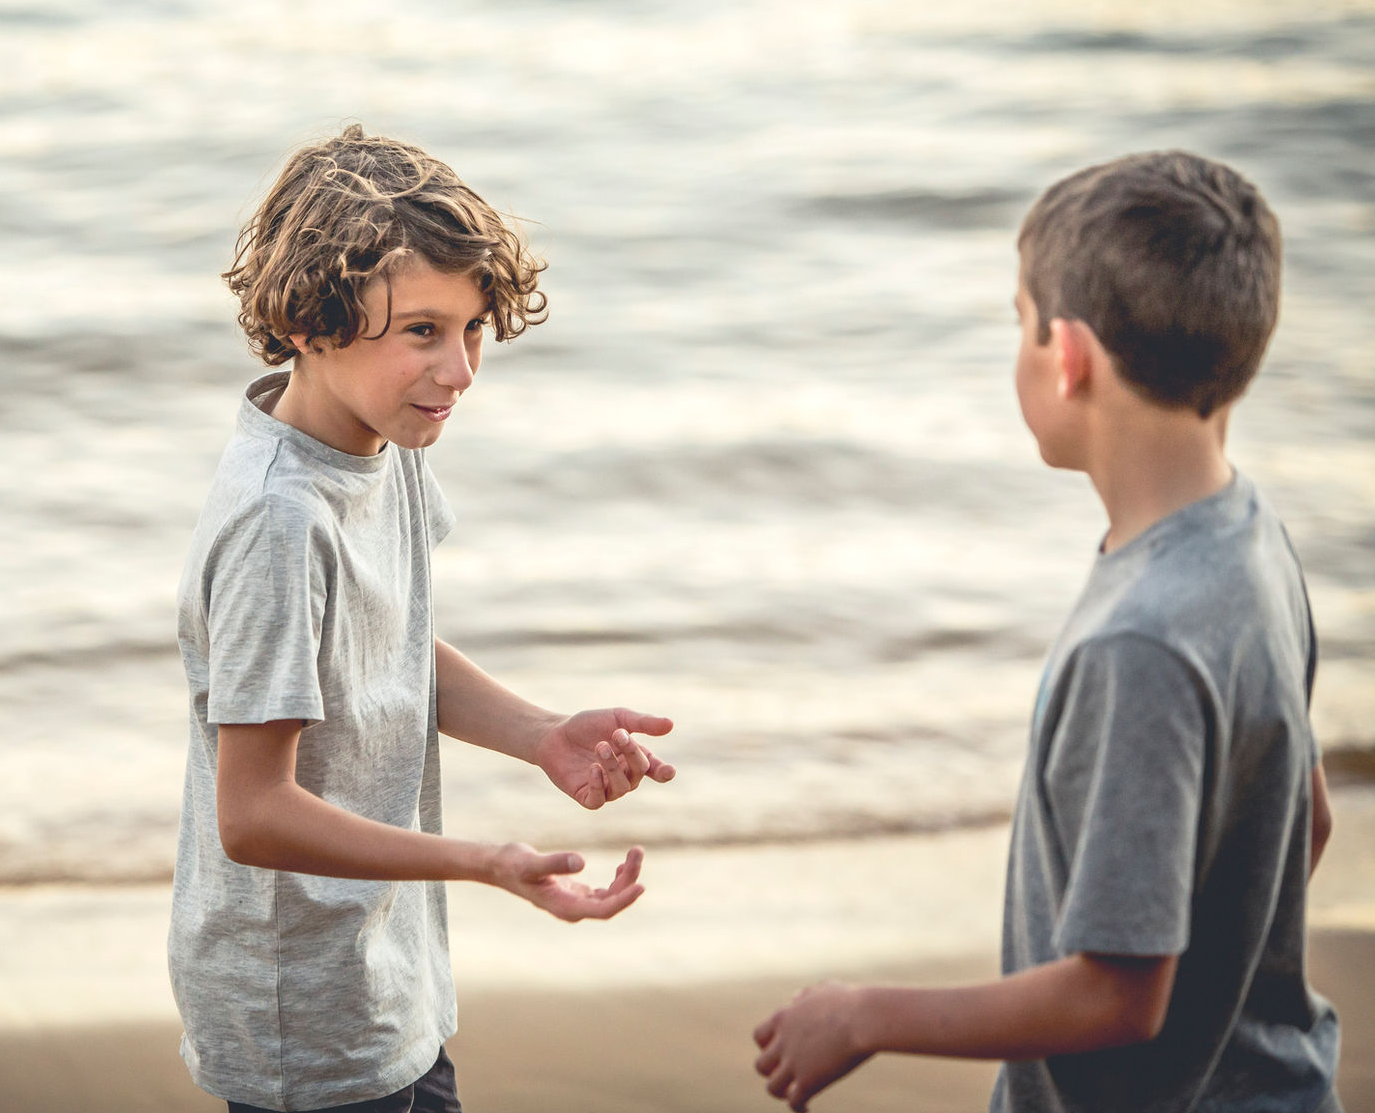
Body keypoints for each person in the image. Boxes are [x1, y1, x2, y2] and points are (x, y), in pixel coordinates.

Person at [753, 150, 1340, 1112]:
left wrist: (864, 1014)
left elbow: (1117, 994)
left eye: (1020, 324)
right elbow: (1301, 819)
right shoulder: (1251, 539)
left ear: (1068, 358)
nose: (1020, 346)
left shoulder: (1139, 643)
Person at [170, 124, 675, 1113]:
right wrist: (487, 862)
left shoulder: (383, 444)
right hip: (302, 1025)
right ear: (311, 320)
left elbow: (383, 641)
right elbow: (253, 812)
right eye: (423, 332)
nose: (462, 370)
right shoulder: (279, 520)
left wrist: (539, 735)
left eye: (474, 328)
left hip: (387, 978)